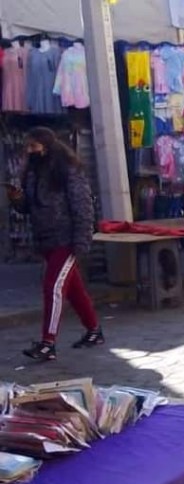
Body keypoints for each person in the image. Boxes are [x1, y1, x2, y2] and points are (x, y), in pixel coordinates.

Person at [6, 127, 103, 361]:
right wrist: (16, 198)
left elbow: (82, 206)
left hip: (66, 239)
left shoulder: (68, 170)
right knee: (73, 289)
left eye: (34, 147)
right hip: (46, 239)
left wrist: (81, 240)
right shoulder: (31, 173)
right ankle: (94, 331)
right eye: (27, 147)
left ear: (46, 147)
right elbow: (28, 207)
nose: (30, 151)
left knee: (53, 287)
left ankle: (48, 343)